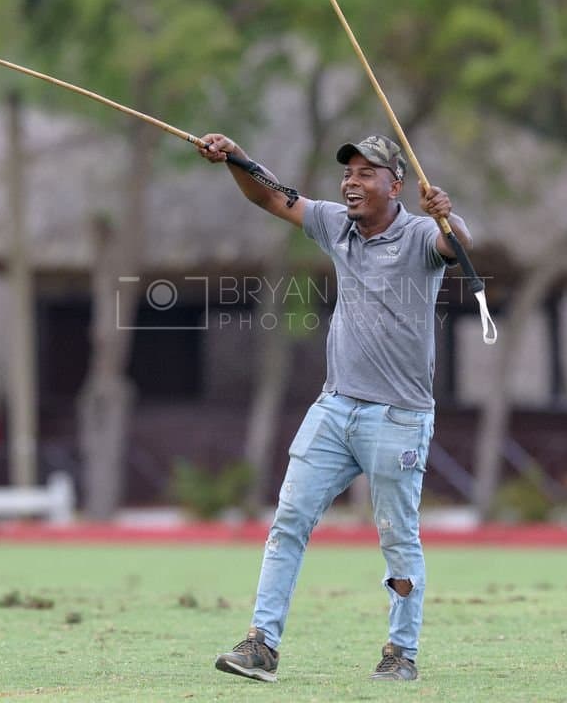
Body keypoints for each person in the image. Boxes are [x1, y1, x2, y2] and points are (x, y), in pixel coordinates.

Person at [197, 132, 473, 683]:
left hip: (398, 417)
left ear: (396, 185)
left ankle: (401, 653)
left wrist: (449, 216)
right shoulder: (333, 223)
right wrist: (235, 158)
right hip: (334, 407)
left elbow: (459, 247)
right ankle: (261, 644)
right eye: (348, 172)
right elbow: (270, 196)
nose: (351, 181)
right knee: (288, 520)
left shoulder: (421, 234)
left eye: (366, 173)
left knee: (397, 536)